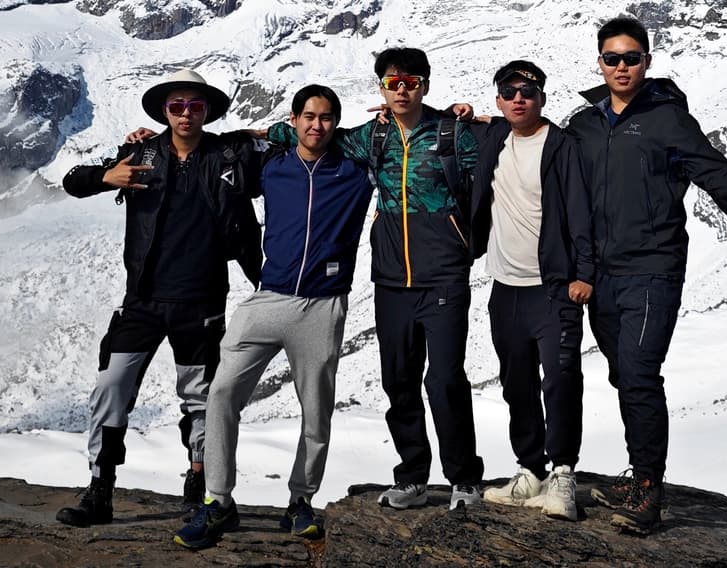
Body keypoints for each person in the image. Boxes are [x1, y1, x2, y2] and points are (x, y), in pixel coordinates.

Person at [567, 16, 727, 535]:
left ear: (647, 61)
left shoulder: (668, 120)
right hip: (600, 275)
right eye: (611, 58)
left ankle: (648, 490)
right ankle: (639, 474)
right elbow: (541, 156)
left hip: (652, 270)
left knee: (641, 372)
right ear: (599, 63)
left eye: (631, 57)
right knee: (625, 375)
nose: (621, 66)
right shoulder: (583, 125)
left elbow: (714, 172)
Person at [266, 47, 486, 512]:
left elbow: (494, 163)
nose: (401, 89)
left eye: (409, 81)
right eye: (392, 82)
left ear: (424, 84)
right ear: (381, 88)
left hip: (444, 274)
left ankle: (464, 479)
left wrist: (474, 116)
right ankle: (412, 477)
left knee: (445, 379)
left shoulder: (452, 132)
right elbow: (310, 135)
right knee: (399, 380)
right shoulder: (372, 137)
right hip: (391, 279)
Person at [53, 69, 261, 528]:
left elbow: (301, 141)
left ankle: (199, 484)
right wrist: (109, 176)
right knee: (112, 387)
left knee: (202, 399)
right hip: (142, 301)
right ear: (164, 112)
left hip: (201, 302)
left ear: (207, 111)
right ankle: (100, 489)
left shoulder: (230, 155)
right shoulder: (140, 153)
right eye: (177, 106)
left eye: (195, 106)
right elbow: (72, 181)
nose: (186, 114)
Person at [174, 84, 375, 548]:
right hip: (268, 299)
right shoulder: (272, 167)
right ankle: (219, 502)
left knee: (316, 410)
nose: (315, 125)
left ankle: (300, 500)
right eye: (307, 116)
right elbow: (213, 150)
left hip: (323, 305)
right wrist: (148, 140)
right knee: (222, 393)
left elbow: (400, 139)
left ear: (335, 123)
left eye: (325, 118)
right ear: (295, 118)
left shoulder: (355, 172)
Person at [467, 60, 594, 521]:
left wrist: (584, 273)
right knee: (516, 382)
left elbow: (580, 210)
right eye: (509, 91)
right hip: (506, 286)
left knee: (560, 381)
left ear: (541, 98)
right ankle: (530, 470)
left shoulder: (562, 147)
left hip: (554, 287)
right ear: (499, 101)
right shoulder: (494, 137)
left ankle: (563, 473)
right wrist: (397, 107)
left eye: (528, 91)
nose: (519, 98)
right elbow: (444, 121)